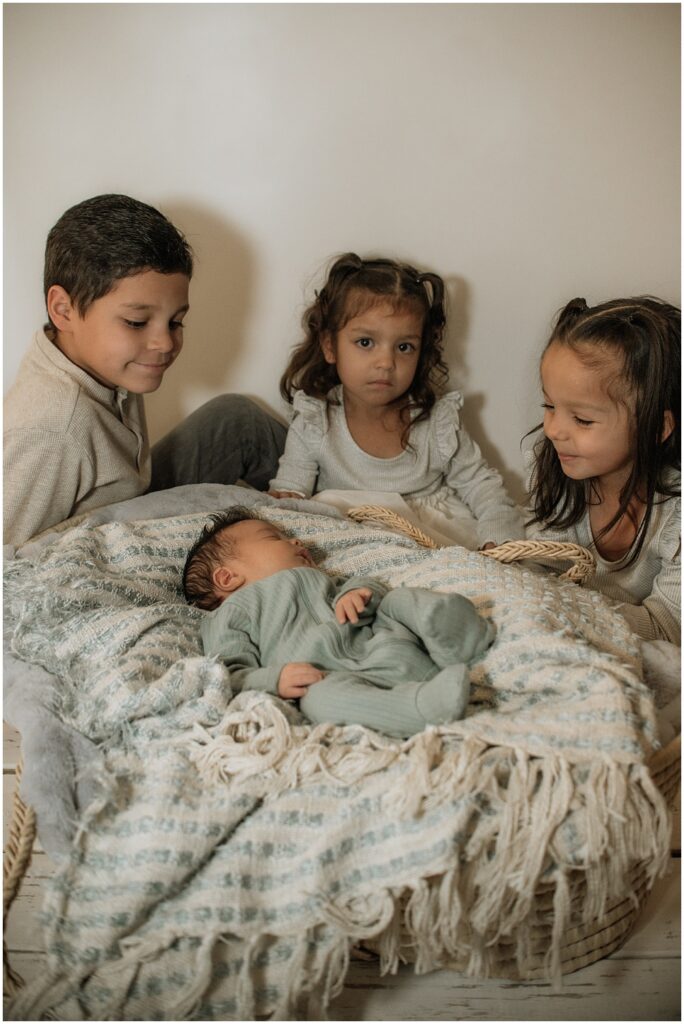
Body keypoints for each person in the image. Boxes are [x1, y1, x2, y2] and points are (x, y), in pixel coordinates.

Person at [3, 194, 287, 547]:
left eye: (176, 322)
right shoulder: (52, 427)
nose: (165, 343)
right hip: (110, 549)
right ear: (63, 310)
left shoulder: (101, 362)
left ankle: (342, 490)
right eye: (137, 322)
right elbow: (10, 561)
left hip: (129, 501)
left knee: (237, 419)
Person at [268, 252, 523, 549]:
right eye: (365, 343)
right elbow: (289, 499)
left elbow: (485, 489)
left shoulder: (436, 424)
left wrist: (499, 541)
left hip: (431, 543)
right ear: (330, 346)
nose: (386, 362)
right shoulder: (315, 423)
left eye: (404, 347)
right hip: (355, 548)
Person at [183, 507, 495, 738]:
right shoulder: (229, 615)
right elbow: (228, 676)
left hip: (378, 640)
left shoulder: (320, 579)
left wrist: (357, 594)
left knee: (398, 601)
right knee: (319, 703)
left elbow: (370, 587)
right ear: (227, 577)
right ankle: (418, 708)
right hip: (325, 677)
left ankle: (460, 640)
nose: (294, 541)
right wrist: (274, 679)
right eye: (273, 537)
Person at [525, 296, 680, 645]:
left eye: (582, 419)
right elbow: (542, 565)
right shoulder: (557, 470)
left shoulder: (676, 518)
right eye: (549, 406)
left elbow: (667, 631)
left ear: (655, 429)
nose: (553, 430)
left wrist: (566, 604)